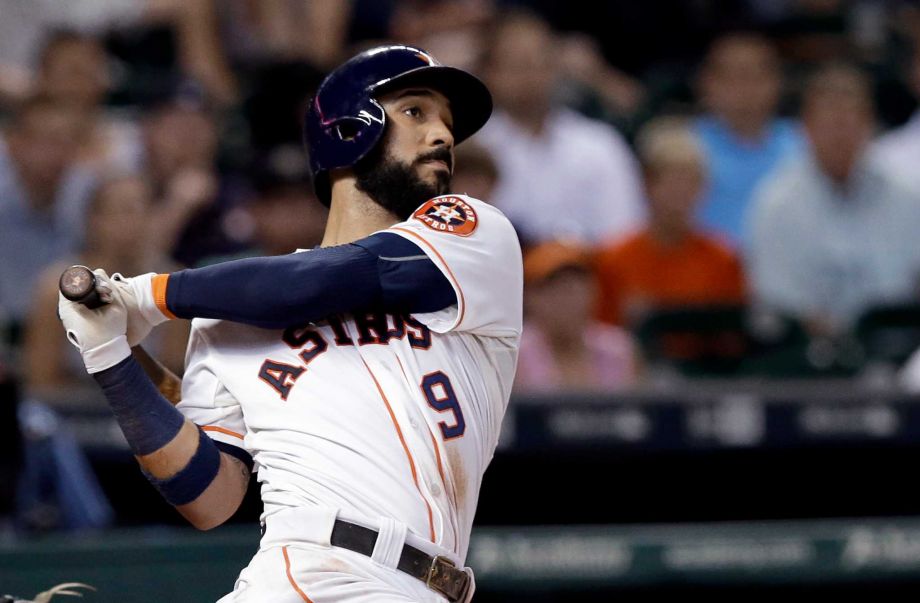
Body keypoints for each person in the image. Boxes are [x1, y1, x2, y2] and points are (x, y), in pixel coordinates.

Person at [57, 45, 522, 602]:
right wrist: (113, 357)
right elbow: (209, 496)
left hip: (421, 586)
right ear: (350, 128)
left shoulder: (473, 238)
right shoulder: (227, 312)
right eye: (416, 113)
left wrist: (149, 295)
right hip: (304, 571)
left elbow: (317, 282)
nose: (443, 137)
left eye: (448, 125)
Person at [747, 63, 920, 337]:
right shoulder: (776, 203)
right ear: (806, 127)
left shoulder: (907, 197)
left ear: (869, 125)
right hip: (805, 355)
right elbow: (776, 304)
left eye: (849, 121)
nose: (840, 134)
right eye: (830, 123)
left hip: (894, 345)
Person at [476, 9, 645, 245]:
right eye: (516, 65)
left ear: (555, 67)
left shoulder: (601, 145)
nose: (529, 75)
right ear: (489, 72)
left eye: (538, 62)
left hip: (587, 273)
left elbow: (623, 236)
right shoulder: (474, 148)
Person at [594, 117, 746, 328]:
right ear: (647, 184)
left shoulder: (723, 259)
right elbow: (602, 335)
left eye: (690, 182)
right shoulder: (613, 259)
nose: (680, 193)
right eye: (671, 181)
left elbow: (734, 336)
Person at [693, 33, 804, 247]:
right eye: (733, 77)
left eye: (755, 77)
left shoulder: (804, 145)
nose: (745, 90)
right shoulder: (685, 147)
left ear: (777, 82)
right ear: (707, 83)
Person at [0, 95, 97, 325]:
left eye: (63, 142)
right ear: (14, 144)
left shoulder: (92, 203)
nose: (53, 153)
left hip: (65, 335)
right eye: (43, 141)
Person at [515, 241, 637, 393]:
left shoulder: (617, 349)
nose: (565, 300)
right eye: (553, 289)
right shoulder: (514, 354)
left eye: (572, 288)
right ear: (529, 296)